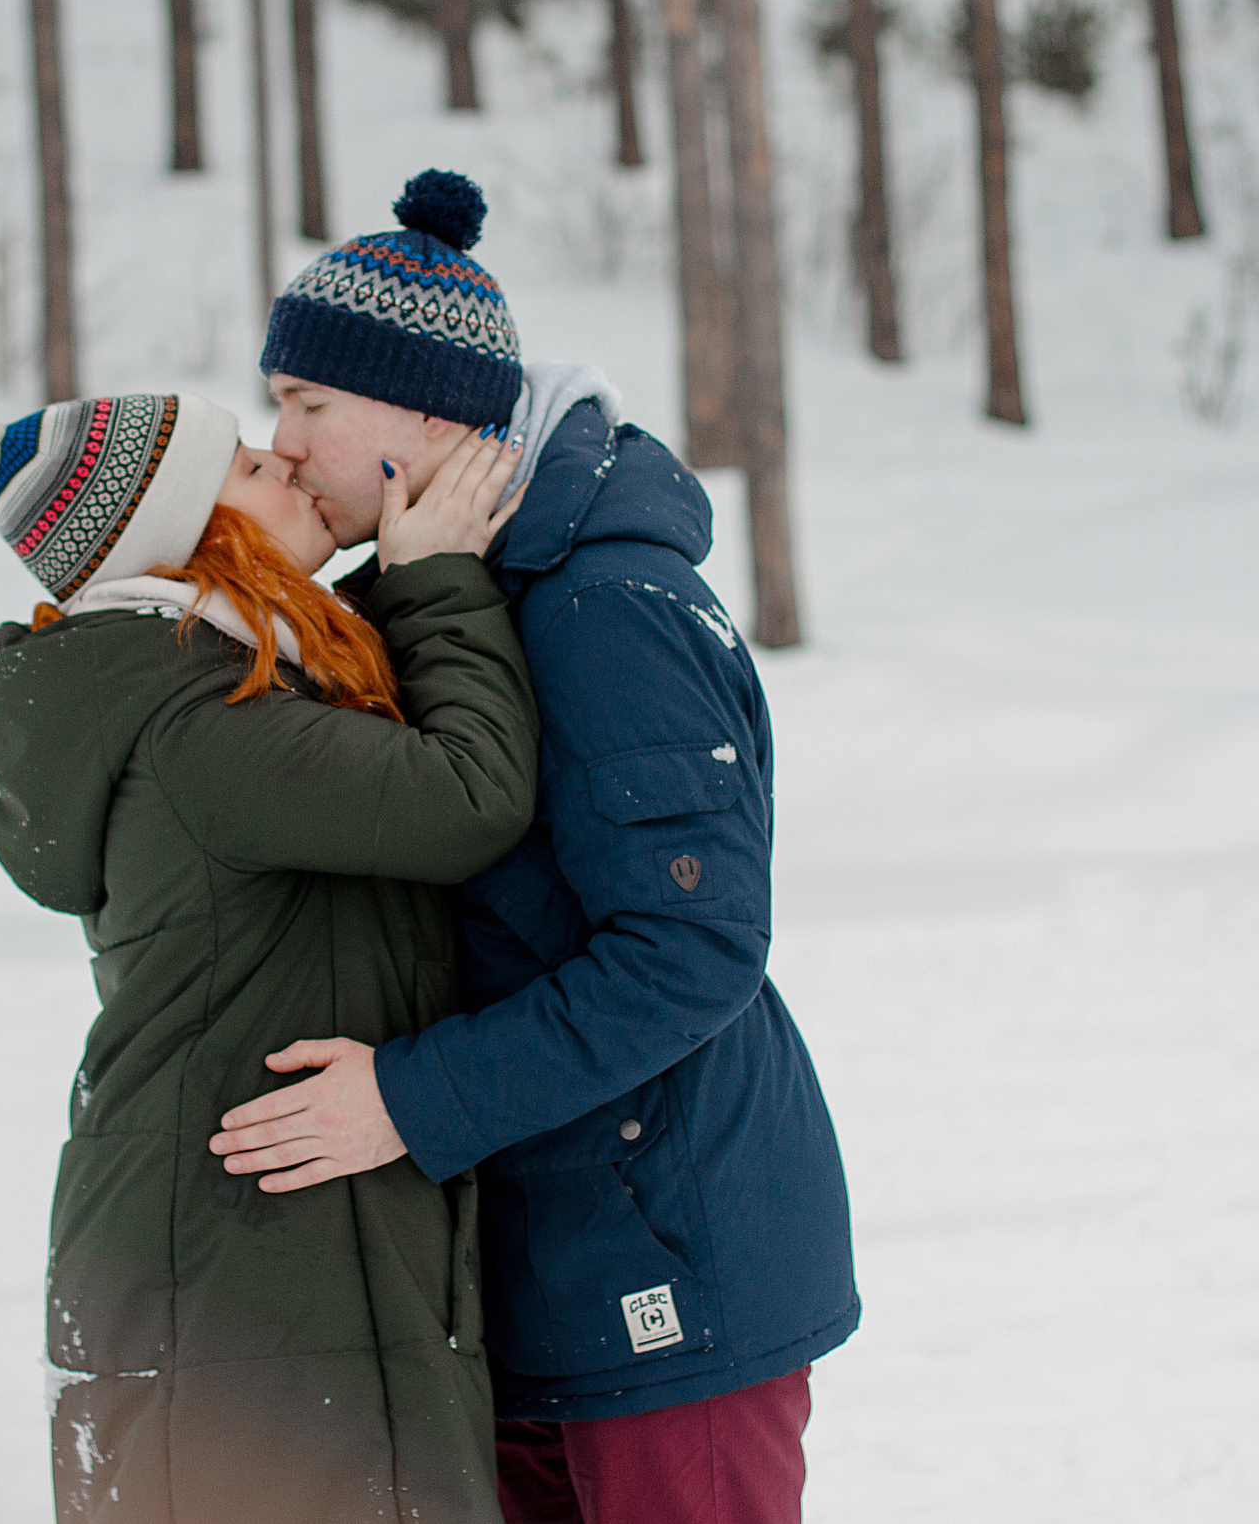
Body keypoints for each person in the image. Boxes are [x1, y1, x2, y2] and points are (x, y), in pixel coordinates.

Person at [206, 171, 860, 1524]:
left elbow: (693, 948)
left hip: (664, 1257)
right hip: (527, 1274)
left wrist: (406, 1098)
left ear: (429, 411)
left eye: (311, 405)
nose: (287, 440)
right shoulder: (444, 589)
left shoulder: (602, 602)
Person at [0, 388, 538, 1524]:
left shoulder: (213, 678)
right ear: (186, 536)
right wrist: (435, 578)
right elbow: (469, 796)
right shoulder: (200, 714)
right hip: (239, 1263)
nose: (289, 467)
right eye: (250, 469)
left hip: (243, 1234)